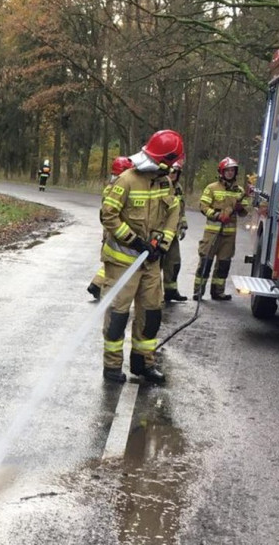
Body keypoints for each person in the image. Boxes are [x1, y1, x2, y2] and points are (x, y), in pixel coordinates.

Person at [99, 129, 183, 384]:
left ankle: (143, 363)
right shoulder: (126, 180)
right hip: (122, 263)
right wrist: (135, 241)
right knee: (118, 316)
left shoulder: (165, 183)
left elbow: (173, 213)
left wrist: (162, 243)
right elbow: (108, 216)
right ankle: (112, 367)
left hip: (151, 263)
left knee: (151, 314)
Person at [193, 157, 251, 301]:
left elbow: (244, 212)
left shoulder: (239, 191)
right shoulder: (212, 188)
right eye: (227, 170)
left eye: (232, 170)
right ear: (221, 172)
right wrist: (217, 215)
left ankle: (218, 292)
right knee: (205, 262)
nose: (230, 173)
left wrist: (240, 208)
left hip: (228, 236)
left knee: (224, 264)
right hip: (212, 233)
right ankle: (198, 292)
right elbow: (203, 206)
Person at [87, 155, 134, 300]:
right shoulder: (118, 188)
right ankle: (100, 286)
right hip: (115, 229)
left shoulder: (110, 187)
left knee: (111, 261)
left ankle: (97, 283)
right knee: (115, 262)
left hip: (109, 229)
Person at [162, 159, 189, 303]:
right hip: (160, 232)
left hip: (173, 233)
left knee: (174, 262)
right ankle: (152, 295)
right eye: (171, 171)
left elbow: (181, 210)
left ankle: (171, 291)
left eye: (176, 172)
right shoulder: (160, 186)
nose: (173, 175)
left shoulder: (178, 188)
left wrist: (183, 225)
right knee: (156, 264)